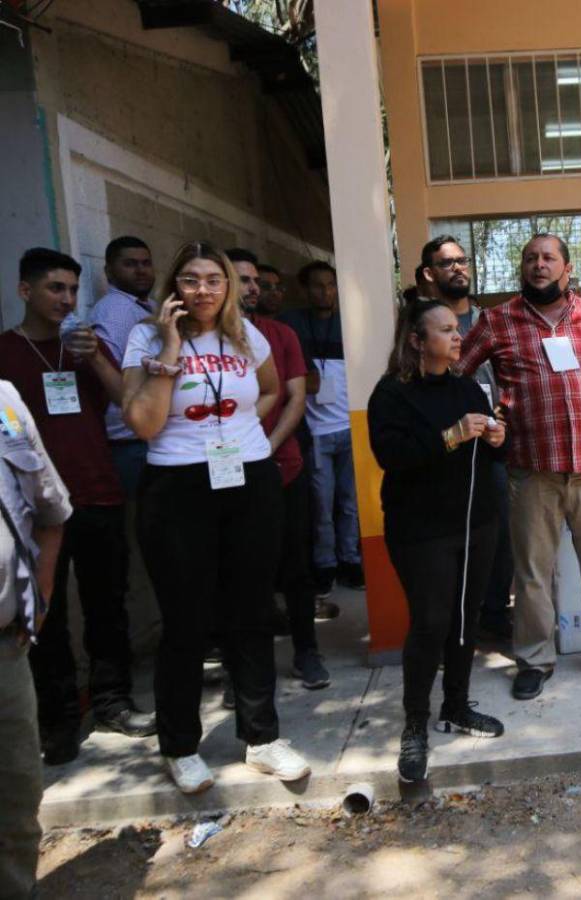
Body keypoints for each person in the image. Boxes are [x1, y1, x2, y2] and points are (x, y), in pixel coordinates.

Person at [121, 240, 309, 794]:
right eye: (191, 279)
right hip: (177, 484)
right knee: (186, 618)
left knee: (251, 610)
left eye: (214, 279)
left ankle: (261, 737)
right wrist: (172, 347)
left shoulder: (246, 334)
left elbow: (272, 389)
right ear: (173, 286)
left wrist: (251, 436)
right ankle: (180, 746)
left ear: (228, 285)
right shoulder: (145, 338)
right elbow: (144, 424)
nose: (203, 289)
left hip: (248, 479)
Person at [459, 234, 581, 701]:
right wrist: (485, 416)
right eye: (530, 259)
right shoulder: (496, 321)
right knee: (532, 572)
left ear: (567, 268)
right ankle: (534, 659)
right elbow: (458, 370)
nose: (538, 265)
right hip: (532, 472)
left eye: (548, 258)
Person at [0, 249, 155, 767]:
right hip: (34, 511)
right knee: (44, 616)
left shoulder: (88, 348)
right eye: (55, 289)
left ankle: (113, 703)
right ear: (26, 292)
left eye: (72, 290)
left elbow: (128, 407)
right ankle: (59, 721)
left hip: (98, 493)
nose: (66, 300)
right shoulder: (6, 353)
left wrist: (95, 358)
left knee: (107, 605)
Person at [368, 299, 507, 784]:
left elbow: (495, 453)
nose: (457, 338)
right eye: (445, 330)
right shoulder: (392, 393)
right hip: (420, 530)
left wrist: (495, 438)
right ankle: (414, 723)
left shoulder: (470, 386)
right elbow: (391, 455)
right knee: (430, 622)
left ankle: (455, 706)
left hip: (477, 521)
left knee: (467, 617)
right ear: (416, 340)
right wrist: (451, 436)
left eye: (457, 330)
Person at [228, 249, 331, 689]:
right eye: (242, 280)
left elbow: (295, 396)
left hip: (281, 467)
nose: (252, 288)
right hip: (222, 476)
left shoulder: (280, 334)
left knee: (296, 568)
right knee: (235, 574)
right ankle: (241, 670)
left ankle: (307, 650)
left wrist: (265, 449)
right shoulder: (198, 345)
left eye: (255, 280)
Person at [419, 236, 513, 641]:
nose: (458, 268)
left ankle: (495, 613)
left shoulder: (489, 320)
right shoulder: (418, 324)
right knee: (447, 541)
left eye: (462, 260)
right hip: (442, 446)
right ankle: (454, 624)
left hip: (490, 443)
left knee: (499, 532)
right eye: (447, 263)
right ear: (429, 273)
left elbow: (510, 375)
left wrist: (505, 413)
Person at [0, 379, 70, 898]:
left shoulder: (4, 399)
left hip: (5, 645)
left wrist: (40, 592)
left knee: (16, 801)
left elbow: (50, 508)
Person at [281, 261, 364, 597]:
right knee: (320, 503)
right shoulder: (292, 324)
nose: (325, 292)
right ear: (305, 288)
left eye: (331, 285)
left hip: (350, 424)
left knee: (349, 502)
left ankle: (350, 559)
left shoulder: (350, 324)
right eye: (318, 285)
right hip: (314, 430)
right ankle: (325, 563)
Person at [90, 236, 157, 499]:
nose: (141, 270)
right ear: (109, 272)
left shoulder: (148, 307)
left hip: (148, 437)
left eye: (146, 263)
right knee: (143, 522)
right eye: (130, 264)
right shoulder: (112, 312)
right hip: (129, 442)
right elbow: (114, 378)